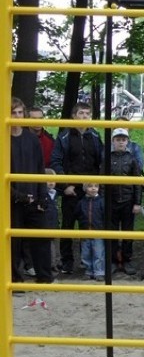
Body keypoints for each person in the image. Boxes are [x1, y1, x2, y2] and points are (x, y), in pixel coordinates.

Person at [50, 101, 104, 275]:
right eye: (81, 113)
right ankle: (67, 262)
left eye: (87, 114)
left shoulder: (95, 136)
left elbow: (100, 162)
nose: (84, 117)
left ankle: (87, 262)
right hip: (71, 190)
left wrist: (96, 185)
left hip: (90, 190)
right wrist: (65, 185)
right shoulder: (64, 137)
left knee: (90, 225)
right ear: (73, 116)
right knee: (68, 225)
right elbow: (56, 162)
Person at [10, 98, 54, 287]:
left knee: (41, 237)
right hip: (12, 199)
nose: (17, 116)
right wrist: (17, 195)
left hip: (34, 195)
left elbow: (39, 168)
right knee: (13, 241)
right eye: (14, 113)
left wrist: (42, 195)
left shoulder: (31, 139)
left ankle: (44, 276)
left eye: (20, 112)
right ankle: (13, 279)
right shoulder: (4, 140)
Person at [108, 128, 143, 275]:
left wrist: (137, 202)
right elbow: (102, 181)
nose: (121, 142)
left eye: (123, 139)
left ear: (127, 141)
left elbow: (137, 183)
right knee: (112, 233)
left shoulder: (132, 159)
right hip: (112, 200)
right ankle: (114, 261)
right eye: (118, 139)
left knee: (128, 233)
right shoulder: (107, 158)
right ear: (113, 141)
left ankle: (127, 260)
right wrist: (104, 200)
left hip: (128, 201)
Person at [75, 182, 106, 281]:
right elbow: (77, 214)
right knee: (86, 254)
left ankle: (99, 272)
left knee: (98, 253)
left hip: (98, 232)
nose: (93, 188)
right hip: (85, 232)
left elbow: (105, 216)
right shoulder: (81, 202)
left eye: (96, 186)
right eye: (90, 186)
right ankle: (88, 271)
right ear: (85, 189)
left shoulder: (102, 201)